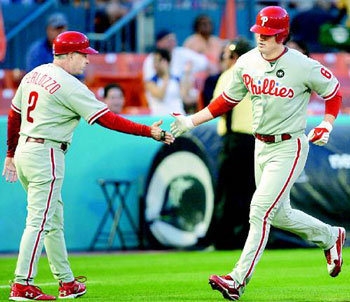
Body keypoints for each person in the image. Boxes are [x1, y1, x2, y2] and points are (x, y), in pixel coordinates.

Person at [170, 6, 346, 301]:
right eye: (259, 33)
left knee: (259, 211)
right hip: (260, 144)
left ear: (282, 35)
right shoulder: (247, 61)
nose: (260, 38)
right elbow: (227, 99)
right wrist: (191, 120)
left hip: (289, 145)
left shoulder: (301, 64)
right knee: (280, 215)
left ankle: (237, 280)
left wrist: (327, 124)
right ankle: (330, 236)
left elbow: (333, 92)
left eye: (267, 34)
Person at [3, 31, 174, 301]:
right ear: (69, 55)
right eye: (83, 55)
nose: (86, 60)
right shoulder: (70, 85)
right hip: (46, 152)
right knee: (39, 221)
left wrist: (11, 152)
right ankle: (22, 283)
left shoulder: (34, 74)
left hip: (26, 148)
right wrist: (147, 131)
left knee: (53, 220)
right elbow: (108, 119)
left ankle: (66, 282)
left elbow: (15, 115)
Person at [209, 37, 255, 250]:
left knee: (227, 191)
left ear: (234, 57)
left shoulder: (229, 75)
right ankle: (248, 238)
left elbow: (218, 107)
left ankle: (223, 238)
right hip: (257, 140)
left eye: (226, 56)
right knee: (251, 192)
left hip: (234, 139)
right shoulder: (259, 75)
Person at [143, 30, 209, 82]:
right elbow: (150, 81)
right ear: (158, 43)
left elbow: (204, 62)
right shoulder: (151, 59)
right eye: (169, 40)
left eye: (173, 40)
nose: (172, 43)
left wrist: (189, 71)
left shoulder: (180, 52)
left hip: (182, 93)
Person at [145, 48, 196, 115]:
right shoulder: (150, 82)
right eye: (154, 62)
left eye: (157, 61)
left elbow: (184, 97)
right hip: (160, 118)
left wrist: (187, 74)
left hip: (178, 116)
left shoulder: (176, 79)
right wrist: (166, 75)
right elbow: (160, 95)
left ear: (165, 62)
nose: (154, 65)